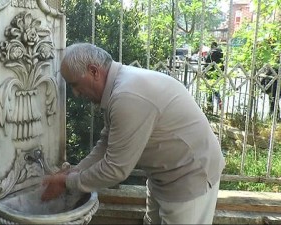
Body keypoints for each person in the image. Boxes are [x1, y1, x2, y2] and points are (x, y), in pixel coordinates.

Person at [41, 43, 225, 224]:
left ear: (94, 71)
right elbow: (106, 142)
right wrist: (75, 171)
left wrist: (67, 182)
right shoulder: (119, 86)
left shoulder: (126, 96)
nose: (76, 93)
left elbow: (115, 169)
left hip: (190, 177)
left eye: (75, 84)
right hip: (164, 175)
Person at [205, 41, 224, 111]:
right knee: (216, 90)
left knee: (209, 90)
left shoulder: (211, 52)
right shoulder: (221, 52)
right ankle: (220, 103)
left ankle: (210, 107)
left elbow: (207, 62)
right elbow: (222, 63)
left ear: (212, 46)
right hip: (218, 73)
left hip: (210, 73)